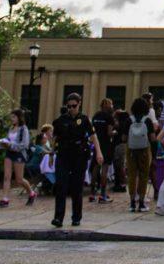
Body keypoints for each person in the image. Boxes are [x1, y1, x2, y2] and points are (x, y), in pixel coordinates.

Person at [51, 93, 104, 227]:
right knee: (61, 186)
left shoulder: (84, 119)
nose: (71, 109)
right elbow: (55, 139)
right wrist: (52, 154)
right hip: (64, 154)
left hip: (79, 155)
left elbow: (93, 136)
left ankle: (76, 217)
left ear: (79, 104)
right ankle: (58, 217)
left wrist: (99, 152)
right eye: (68, 106)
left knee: (76, 187)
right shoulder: (61, 120)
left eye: (74, 106)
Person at [0, 109, 37, 207]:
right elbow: (8, 139)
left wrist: (11, 145)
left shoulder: (24, 129)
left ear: (19, 117)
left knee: (19, 179)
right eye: (11, 117)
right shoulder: (11, 128)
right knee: (6, 177)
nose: (11, 119)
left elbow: (24, 145)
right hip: (9, 153)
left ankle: (31, 193)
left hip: (19, 154)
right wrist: (4, 143)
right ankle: (5, 199)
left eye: (14, 117)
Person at [125, 97, 157, 212]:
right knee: (144, 176)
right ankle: (142, 203)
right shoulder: (147, 120)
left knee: (132, 176)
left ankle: (132, 203)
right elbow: (153, 138)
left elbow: (124, 138)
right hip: (144, 150)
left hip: (131, 150)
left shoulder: (129, 120)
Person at [91, 98, 115, 203]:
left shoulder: (96, 115)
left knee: (95, 168)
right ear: (108, 106)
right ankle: (103, 195)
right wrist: (115, 132)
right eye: (111, 105)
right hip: (105, 144)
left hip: (96, 144)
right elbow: (109, 133)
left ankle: (92, 194)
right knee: (104, 169)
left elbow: (92, 130)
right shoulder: (109, 117)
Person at [111, 108, 129, 192]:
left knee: (119, 166)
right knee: (120, 166)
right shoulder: (126, 123)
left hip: (119, 145)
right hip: (122, 145)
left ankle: (121, 184)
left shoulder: (119, 124)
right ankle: (121, 184)